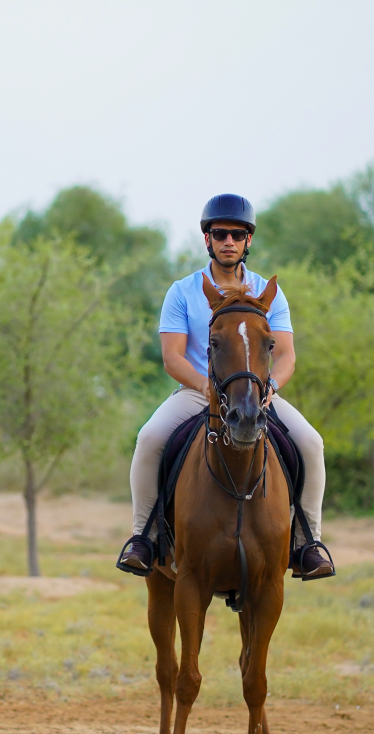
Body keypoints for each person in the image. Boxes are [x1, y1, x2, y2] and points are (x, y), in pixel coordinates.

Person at [118, 193, 333, 578]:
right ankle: (143, 537)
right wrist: (204, 386)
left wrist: (272, 387)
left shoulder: (270, 292)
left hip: (255, 395)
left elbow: (285, 355)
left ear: (248, 240)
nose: (228, 241)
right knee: (150, 438)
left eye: (237, 234)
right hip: (197, 391)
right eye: (220, 234)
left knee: (312, 443)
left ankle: (307, 542)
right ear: (208, 240)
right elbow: (173, 358)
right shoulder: (182, 291)